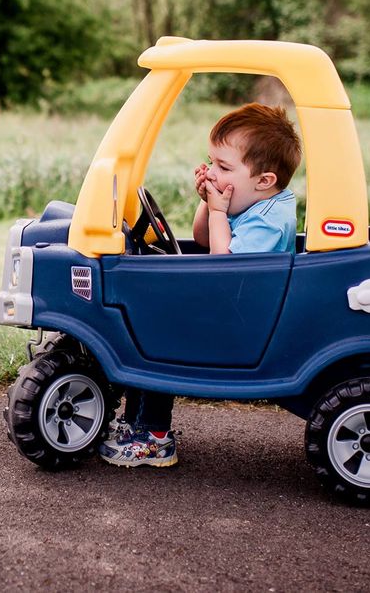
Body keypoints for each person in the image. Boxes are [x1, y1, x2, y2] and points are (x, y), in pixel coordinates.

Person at [98, 103, 302, 468]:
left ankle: (154, 435)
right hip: (237, 307)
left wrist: (220, 210)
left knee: (159, 334)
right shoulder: (254, 202)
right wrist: (208, 205)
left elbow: (226, 266)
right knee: (154, 313)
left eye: (223, 167)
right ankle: (135, 423)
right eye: (210, 162)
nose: (211, 172)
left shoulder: (268, 221)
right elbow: (204, 239)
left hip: (246, 323)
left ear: (264, 180)